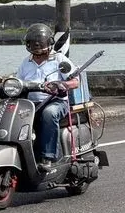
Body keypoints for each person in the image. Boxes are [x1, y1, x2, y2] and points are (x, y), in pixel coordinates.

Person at [16, 23, 79, 172]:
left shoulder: (58, 59)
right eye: (32, 42)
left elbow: (76, 81)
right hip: (31, 103)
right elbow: (18, 81)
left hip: (55, 101)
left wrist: (63, 84)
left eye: (40, 42)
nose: (36, 45)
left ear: (49, 42)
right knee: (1, 111)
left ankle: (48, 157)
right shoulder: (26, 62)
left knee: (49, 114)